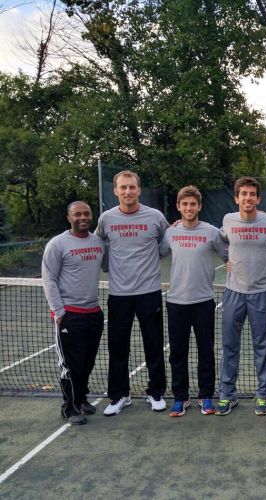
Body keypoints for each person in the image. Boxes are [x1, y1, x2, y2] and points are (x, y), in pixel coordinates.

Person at [96, 170, 169, 416]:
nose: (128, 192)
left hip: (149, 293)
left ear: (139, 189)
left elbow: (165, 243)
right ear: (115, 191)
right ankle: (119, 396)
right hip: (118, 295)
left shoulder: (156, 217)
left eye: (132, 187)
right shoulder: (106, 219)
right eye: (123, 187)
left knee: (154, 345)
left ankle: (156, 393)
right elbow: (99, 246)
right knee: (117, 347)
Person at [159, 186, 228, 417]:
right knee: (178, 352)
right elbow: (156, 252)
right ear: (179, 207)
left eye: (193, 204)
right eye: (184, 204)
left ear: (199, 206)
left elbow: (228, 253)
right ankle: (180, 397)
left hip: (204, 302)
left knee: (205, 350)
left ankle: (206, 396)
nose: (189, 208)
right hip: (176, 301)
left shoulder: (211, 231)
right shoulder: (171, 233)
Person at [217, 177, 266, 416]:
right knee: (229, 346)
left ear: (258, 198)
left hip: (260, 294)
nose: (248, 198)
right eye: (243, 194)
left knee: (262, 346)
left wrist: (262, 265)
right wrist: (227, 260)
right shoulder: (227, 220)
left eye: (252, 194)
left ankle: (264, 395)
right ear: (236, 198)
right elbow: (218, 239)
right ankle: (227, 395)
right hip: (233, 293)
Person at [41, 201, 105, 425]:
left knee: (87, 362)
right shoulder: (57, 244)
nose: (83, 217)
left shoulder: (98, 241)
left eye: (86, 213)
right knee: (70, 365)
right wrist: (59, 312)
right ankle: (69, 408)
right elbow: (48, 279)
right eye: (77, 214)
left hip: (94, 313)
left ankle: (82, 399)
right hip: (69, 315)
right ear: (69, 218)